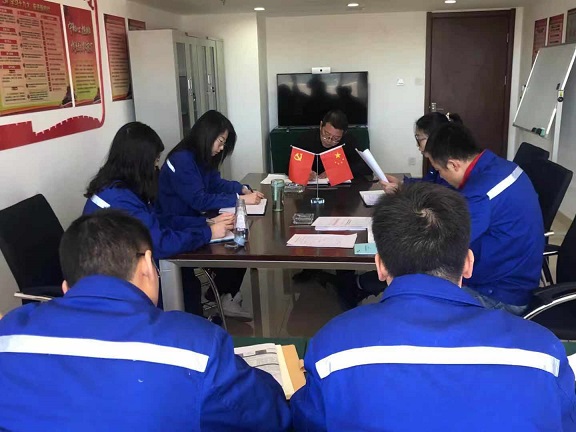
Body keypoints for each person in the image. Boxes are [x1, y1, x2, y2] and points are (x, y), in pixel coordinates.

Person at [291, 183, 575, 431]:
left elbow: (307, 423)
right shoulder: (543, 353)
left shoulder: (332, 347)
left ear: (380, 266)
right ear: (468, 263)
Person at [0, 210, 291, 431]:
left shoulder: (10, 333)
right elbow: (268, 416)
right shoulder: (197, 345)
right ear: (147, 267)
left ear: (66, 288)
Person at [83, 122, 250, 320]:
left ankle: (192, 326)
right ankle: (187, 329)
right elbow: (160, 243)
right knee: (185, 282)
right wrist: (208, 233)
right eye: (154, 160)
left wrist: (205, 224)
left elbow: (158, 220)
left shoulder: (121, 188)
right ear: (139, 162)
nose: (156, 167)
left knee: (188, 281)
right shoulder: (119, 199)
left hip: (124, 264)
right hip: (116, 278)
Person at [425, 123, 544, 314]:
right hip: (513, 274)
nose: (441, 177)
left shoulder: (480, 194)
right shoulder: (500, 166)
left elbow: (444, 245)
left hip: (499, 295)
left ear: (454, 164)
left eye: (439, 171)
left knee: (418, 300)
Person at [157, 109, 264, 220]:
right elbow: (199, 200)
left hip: (196, 219)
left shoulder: (202, 157)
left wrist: (241, 189)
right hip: (178, 224)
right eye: (221, 141)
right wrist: (240, 199)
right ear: (207, 135)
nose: (221, 148)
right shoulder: (181, 159)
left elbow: (215, 184)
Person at [381, 112, 462, 193]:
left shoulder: (449, 163)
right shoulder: (439, 159)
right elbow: (427, 183)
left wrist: (400, 190)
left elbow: (439, 195)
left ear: (434, 137)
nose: (417, 144)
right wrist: (401, 184)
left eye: (419, 139)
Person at [296, 109, 371, 180]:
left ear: (344, 134)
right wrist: (304, 172)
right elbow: (292, 164)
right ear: (321, 125)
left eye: (336, 138)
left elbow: (366, 167)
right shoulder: (306, 138)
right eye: (326, 133)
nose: (329, 140)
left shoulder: (348, 141)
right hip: (311, 186)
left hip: (340, 187)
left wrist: (339, 171)